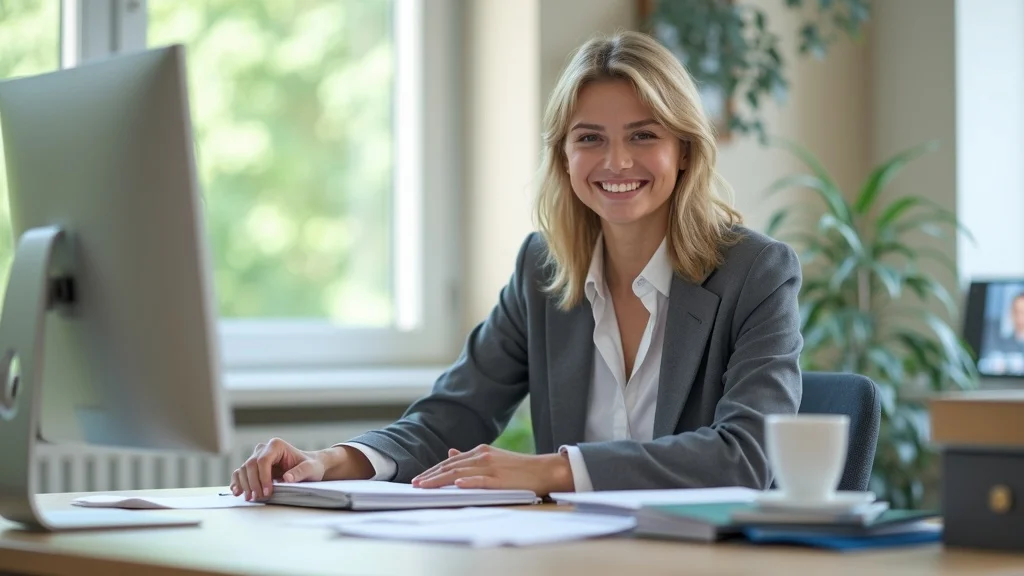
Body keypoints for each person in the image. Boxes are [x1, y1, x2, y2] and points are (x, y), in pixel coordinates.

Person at [230, 30, 803, 501]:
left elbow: (746, 455)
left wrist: (553, 470)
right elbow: (451, 416)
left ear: (683, 151)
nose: (616, 161)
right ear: (564, 156)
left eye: (643, 135)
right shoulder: (542, 269)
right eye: (590, 139)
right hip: (572, 553)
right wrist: (330, 460)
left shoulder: (756, 272)